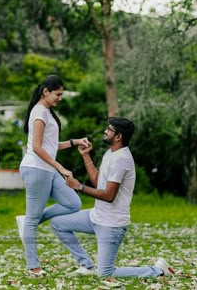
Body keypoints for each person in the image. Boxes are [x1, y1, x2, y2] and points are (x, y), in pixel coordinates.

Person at [50, 117, 175, 278]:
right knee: (58, 223)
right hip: (96, 217)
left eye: (109, 129)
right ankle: (87, 266)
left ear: (118, 136)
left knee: (105, 273)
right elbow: (98, 182)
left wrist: (79, 187)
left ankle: (158, 270)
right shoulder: (111, 153)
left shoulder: (121, 159)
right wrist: (86, 155)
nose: (105, 131)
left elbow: (109, 195)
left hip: (111, 225)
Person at [16, 74, 90, 276]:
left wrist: (74, 142)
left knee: (73, 203)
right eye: (57, 94)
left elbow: (50, 146)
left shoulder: (46, 112)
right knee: (32, 222)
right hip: (36, 169)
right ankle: (34, 267)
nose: (60, 98)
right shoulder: (39, 112)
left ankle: (30, 219)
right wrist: (62, 168)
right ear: (45, 91)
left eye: (61, 94)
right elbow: (38, 148)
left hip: (46, 170)